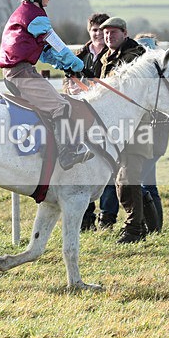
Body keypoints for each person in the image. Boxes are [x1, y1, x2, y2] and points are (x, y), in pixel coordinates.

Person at [0, 0, 93, 170]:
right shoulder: (36, 16)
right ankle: (68, 153)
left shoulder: (23, 14)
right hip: (21, 73)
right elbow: (59, 46)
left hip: (17, 71)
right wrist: (79, 66)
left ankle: (46, 148)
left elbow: (45, 52)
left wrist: (65, 66)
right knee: (61, 106)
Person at [62, 12, 118, 231]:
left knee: (107, 168)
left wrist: (92, 89)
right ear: (89, 31)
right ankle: (86, 218)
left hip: (105, 118)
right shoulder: (79, 54)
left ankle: (107, 218)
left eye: (101, 31)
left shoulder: (113, 55)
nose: (98, 35)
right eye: (94, 30)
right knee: (83, 167)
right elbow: (66, 81)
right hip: (81, 116)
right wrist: (71, 87)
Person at [98, 16, 152, 244]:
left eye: (113, 32)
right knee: (121, 181)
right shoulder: (105, 57)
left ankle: (134, 229)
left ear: (125, 33)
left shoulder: (135, 55)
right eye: (106, 33)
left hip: (134, 128)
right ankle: (146, 224)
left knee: (128, 178)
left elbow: (118, 82)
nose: (109, 36)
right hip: (114, 130)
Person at [135, 33, 169, 232]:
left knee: (139, 182)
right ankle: (155, 228)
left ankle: (149, 227)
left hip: (155, 136)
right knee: (149, 184)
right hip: (144, 137)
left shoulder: (163, 75)